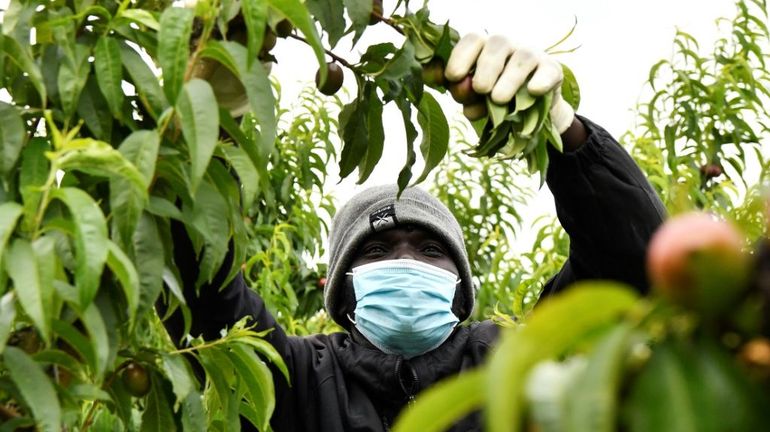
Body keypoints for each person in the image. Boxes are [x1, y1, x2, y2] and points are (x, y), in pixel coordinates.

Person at [164, 34, 667, 431]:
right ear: (343, 287)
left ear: (461, 287)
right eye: (378, 249)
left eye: (430, 249)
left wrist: (562, 134)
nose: (406, 263)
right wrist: (205, 127)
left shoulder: (516, 364)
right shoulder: (301, 380)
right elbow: (204, 294)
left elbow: (629, 268)